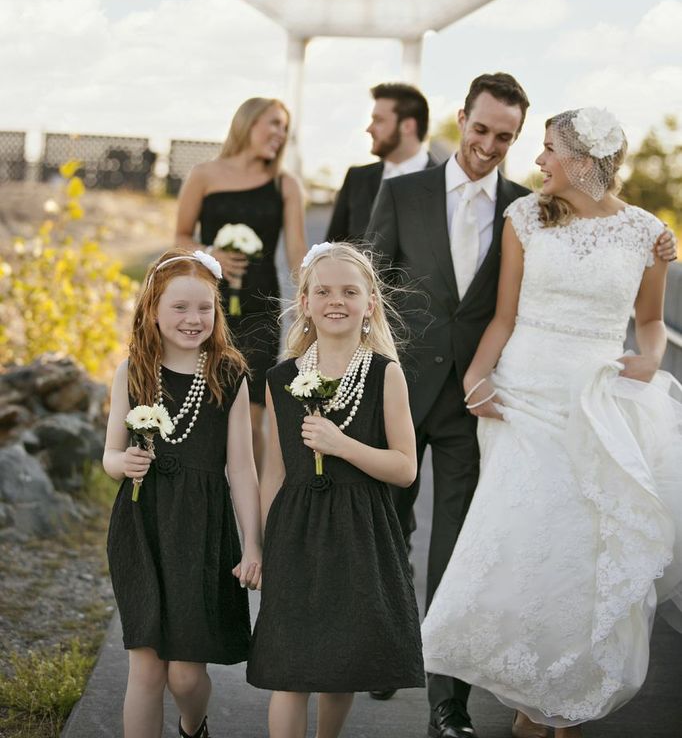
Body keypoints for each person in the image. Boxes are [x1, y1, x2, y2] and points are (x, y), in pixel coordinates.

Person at [365, 74, 678, 737]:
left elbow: (646, 322)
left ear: (580, 158)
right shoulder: (430, 199)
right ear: (462, 120)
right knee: (414, 532)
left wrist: (648, 357)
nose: (501, 148)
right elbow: (385, 292)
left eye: (516, 140)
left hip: (549, 400)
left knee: (512, 545)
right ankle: (400, 651)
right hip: (456, 392)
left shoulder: (583, 219)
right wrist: (387, 377)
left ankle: (467, 706)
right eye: (483, 131)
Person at [247, 241, 425, 738]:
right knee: (290, 669)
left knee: (340, 663)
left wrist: (341, 444)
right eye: (322, 291)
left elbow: (405, 468)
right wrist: (260, 543)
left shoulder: (386, 375)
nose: (336, 301)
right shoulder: (281, 378)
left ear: (370, 302)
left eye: (350, 291)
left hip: (359, 530)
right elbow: (275, 472)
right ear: (304, 302)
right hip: (295, 532)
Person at [103, 248, 262, 738]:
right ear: (153, 309)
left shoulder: (228, 374)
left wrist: (253, 544)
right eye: (180, 307)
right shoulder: (133, 370)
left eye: (205, 308)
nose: (194, 319)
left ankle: (194, 725)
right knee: (147, 669)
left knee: (186, 674)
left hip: (202, 532)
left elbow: (242, 467)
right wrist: (121, 463)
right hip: (143, 525)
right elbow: (109, 454)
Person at [175, 97, 307, 473]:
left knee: (251, 419)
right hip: (205, 310)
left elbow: (297, 253)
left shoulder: (285, 185)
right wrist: (210, 250)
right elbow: (180, 236)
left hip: (259, 314)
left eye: (285, 128)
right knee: (203, 414)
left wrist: (314, 297)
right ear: (247, 124)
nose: (280, 134)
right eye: (274, 124)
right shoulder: (204, 175)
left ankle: (257, 520)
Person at [326, 81, 436, 243]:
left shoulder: (446, 182)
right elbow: (331, 249)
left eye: (378, 120)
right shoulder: (356, 179)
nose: (369, 129)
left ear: (407, 126)